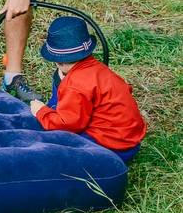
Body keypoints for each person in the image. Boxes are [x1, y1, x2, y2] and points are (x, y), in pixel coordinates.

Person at [30, 17, 146, 163]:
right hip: (131, 141)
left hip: (112, 147)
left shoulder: (75, 84)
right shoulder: (99, 69)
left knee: (53, 146)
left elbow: (68, 125)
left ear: (58, 61)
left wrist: (41, 111)